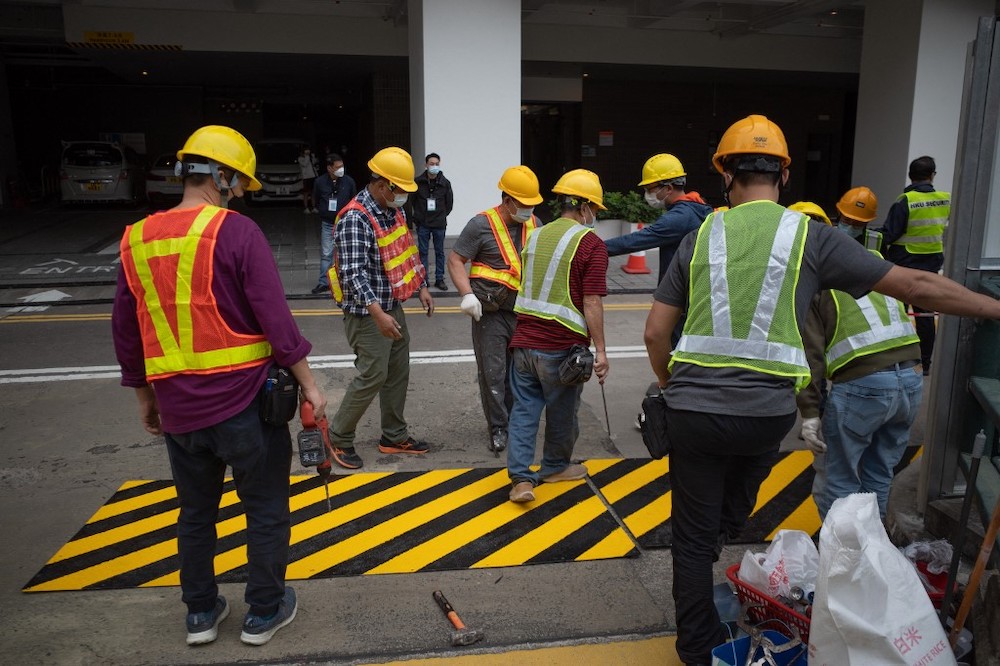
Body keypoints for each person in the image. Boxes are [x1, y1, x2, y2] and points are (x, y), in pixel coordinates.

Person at [643, 114, 1000, 666]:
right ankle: (717, 535)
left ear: (725, 175)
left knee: (691, 539)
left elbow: (654, 333)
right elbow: (916, 284)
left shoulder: (700, 236)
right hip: (765, 414)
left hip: (693, 409)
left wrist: (673, 388)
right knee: (731, 507)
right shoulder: (811, 236)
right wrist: (995, 308)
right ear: (784, 176)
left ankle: (697, 646)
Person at [112, 125, 327, 647]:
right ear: (222, 176)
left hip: (179, 412)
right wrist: (309, 385)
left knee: (195, 515)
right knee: (266, 510)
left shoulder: (136, 238)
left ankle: (201, 614)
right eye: (238, 184)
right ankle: (263, 612)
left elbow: (127, 328)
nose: (237, 195)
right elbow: (275, 318)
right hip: (246, 407)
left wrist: (145, 396)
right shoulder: (236, 232)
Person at [797, 187, 922, 521]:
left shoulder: (812, 277)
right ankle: (873, 545)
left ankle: (841, 552)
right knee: (879, 474)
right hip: (911, 379)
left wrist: (809, 413)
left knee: (839, 480)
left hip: (865, 384)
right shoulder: (875, 260)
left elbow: (811, 355)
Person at [325, 146, 435, 470]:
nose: (403, 196)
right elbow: (352, 273)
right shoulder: (355, 218)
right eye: (399, 189)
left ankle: (394, 435)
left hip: (392, 307)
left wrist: (421, 286)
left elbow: (406, 249)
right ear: (382, 185)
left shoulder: (392, 211)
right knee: (373, 375)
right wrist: (378, 314)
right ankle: (338, 436)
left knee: (397, 373)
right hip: (368, 315)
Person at [507, 169, 610, 503]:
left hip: (523, 343)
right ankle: (553, 467)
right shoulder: (591, 244)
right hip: (560, 349)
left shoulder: (535, 235)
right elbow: (591, 301)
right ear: (585, 207)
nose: (594, 216)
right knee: (562, 413)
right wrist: (601, 351)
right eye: (595, 209)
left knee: (524, 412)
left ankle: (521, 480)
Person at [447, 165, 543, 454]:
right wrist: (467, 295)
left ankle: (515, 421)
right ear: (508, 200)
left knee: (521, 373)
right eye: (524, 204)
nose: (528, 209)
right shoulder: (480, 225)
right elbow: (455, 260)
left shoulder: (534, 223)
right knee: (494, 373)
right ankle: (498, 427)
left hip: (523, 313)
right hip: (491, 313)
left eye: (532, 204)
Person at [877, 156, 951, 376]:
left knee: (897, 313)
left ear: (910, 176)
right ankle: (925, 364)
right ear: (932, 176)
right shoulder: (945, 199)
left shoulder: (905, 201)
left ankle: (897, 362)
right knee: (925, 315)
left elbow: (889, 234)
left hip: (903, 265)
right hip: (930, 266)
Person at [603, 153, 713, 285]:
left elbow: (636, 240)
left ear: (668, 188)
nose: (647, 195)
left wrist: (593, 248)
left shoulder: (679, 218)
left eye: (650, 189)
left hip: (677, 291)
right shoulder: (694, 208)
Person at [311, 154, 358, 295]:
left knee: (347, 253)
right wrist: (323, 211)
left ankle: (347, 281)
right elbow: (316, 199)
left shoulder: (348, 181)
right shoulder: (320, 182)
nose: (341, 169)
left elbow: (354, 200)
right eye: (338, 167)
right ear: (329, 168)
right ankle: (324, 282)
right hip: (328, 223)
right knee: (326, 254)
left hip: (345, 223)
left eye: (342, 166)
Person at [411, 152, 454, 291]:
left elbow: (449, 204)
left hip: (439, 224)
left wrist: (441, 215)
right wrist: (418, 217)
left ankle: (439, 279)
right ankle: (423, 280)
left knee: (439, 252)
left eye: (437, 164)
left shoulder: (445, 183)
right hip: (423, 223)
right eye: (431, 164)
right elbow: (413, 201)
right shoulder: (418, 182)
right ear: (426, 165)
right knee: (423, 252)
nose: (434, 166)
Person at [297, 146, 319, 213]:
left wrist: (313, 157)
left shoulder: (310, 157)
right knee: (306, 193)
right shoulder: (300, 158)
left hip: (313, 177)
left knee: (313, 193)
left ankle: (314, 207)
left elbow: (315, 163)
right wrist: (307, 156)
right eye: (306, 150)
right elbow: (305, 164)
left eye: (308, 150)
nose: (308, 151)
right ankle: (306, 208)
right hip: (306, 177)